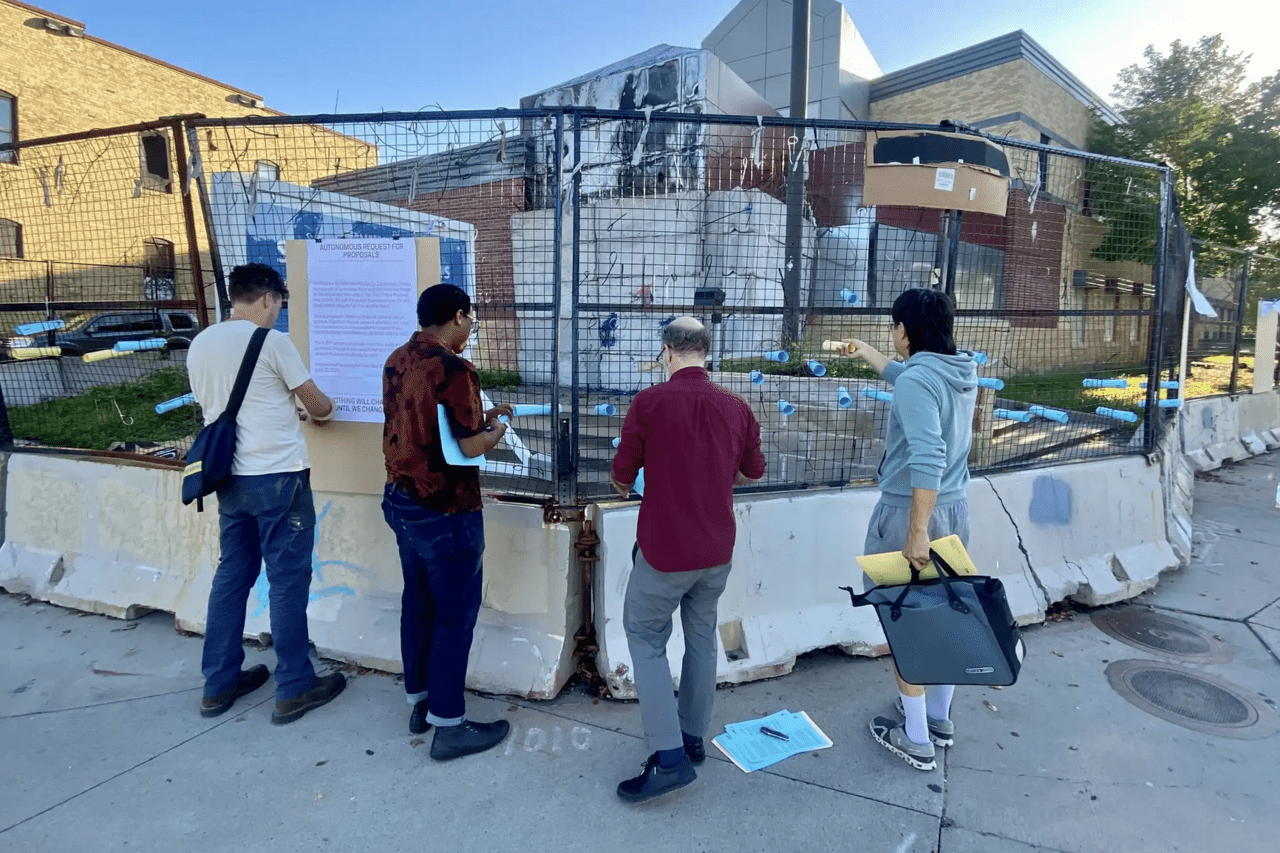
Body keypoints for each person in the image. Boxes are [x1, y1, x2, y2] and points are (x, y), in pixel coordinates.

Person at [610, 316, 766, 803]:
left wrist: (649, 480)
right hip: (716, 550)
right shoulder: (737, 406)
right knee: (701, 636)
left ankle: (668, 757)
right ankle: (693, 737)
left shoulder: (650, 402)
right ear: (705, 351)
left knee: (644, 636)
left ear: (667, 352)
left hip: (663, 551)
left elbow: (620, 476)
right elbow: (752, 472)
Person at [189, 263, 347, 725]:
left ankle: (218, 684)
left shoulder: (201, 343)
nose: (278, 311)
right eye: (278, 302)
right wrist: (324, 413)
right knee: (287, 580)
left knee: (232, 576)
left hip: (230, 480)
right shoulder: (271, 342)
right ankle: (295, 686)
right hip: (279, 478)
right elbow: (317, 404)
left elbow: (224, 407)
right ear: (266, 298)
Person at [844, 287, 979, 771]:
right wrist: (866, 353)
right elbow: (907, 376)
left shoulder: (918, 383)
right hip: (955, 511)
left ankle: (916, 736)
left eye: (892, 327)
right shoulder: (958, 371)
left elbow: (928, 456)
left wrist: (915, 529)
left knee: (906, 621)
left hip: (911, 511)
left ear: (904, 330)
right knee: (943, 614)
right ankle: (939, 718)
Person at [381, 283, 514, 762]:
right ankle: (450, 726)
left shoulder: (397, 359)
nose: (472, 327)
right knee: (455, 617)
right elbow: (469, 446)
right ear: (458, 315)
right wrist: (496, 429)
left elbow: (425, 424)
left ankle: (420, 703)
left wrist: (481, 418)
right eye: (470, 318)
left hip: (401, 499)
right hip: (446, 508)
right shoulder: (455, 367)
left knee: (417, 604)